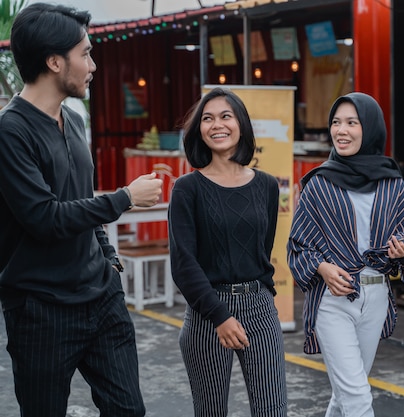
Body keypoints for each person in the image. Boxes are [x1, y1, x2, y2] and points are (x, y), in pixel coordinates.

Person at [0, 3, 163, 417]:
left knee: (129, 410)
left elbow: (81, 197)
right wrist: (125, 197)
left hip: (102, 298)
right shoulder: (10, 132)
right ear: (54, 61)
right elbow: (45, 217)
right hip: (41, 309)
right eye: (85, 53)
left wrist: (108, 257)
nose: (93, 64)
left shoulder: (73, 120)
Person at [288, 92, 404, 416]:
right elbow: (298, 243)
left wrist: (402, 250)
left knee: (346, 392)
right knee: (358, 396)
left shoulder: (392, 182)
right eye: (336, 122)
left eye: (351, 122)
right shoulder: (319, 183)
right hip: (334, 301)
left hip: (375, 298)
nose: (341, 130)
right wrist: (322, 268)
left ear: (370, 128)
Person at [168, 87, 287, 417]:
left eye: (225, 116)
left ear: (241, 125)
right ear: (199, 130)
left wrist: (263, 297)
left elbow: (262, 251)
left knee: (272, 410)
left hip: (259, 306)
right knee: (210, 412)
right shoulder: (187, 189)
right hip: (208, 312)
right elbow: (183, 263)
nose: (216, 125)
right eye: (207, 118)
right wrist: (219, 315)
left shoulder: (266, 185)